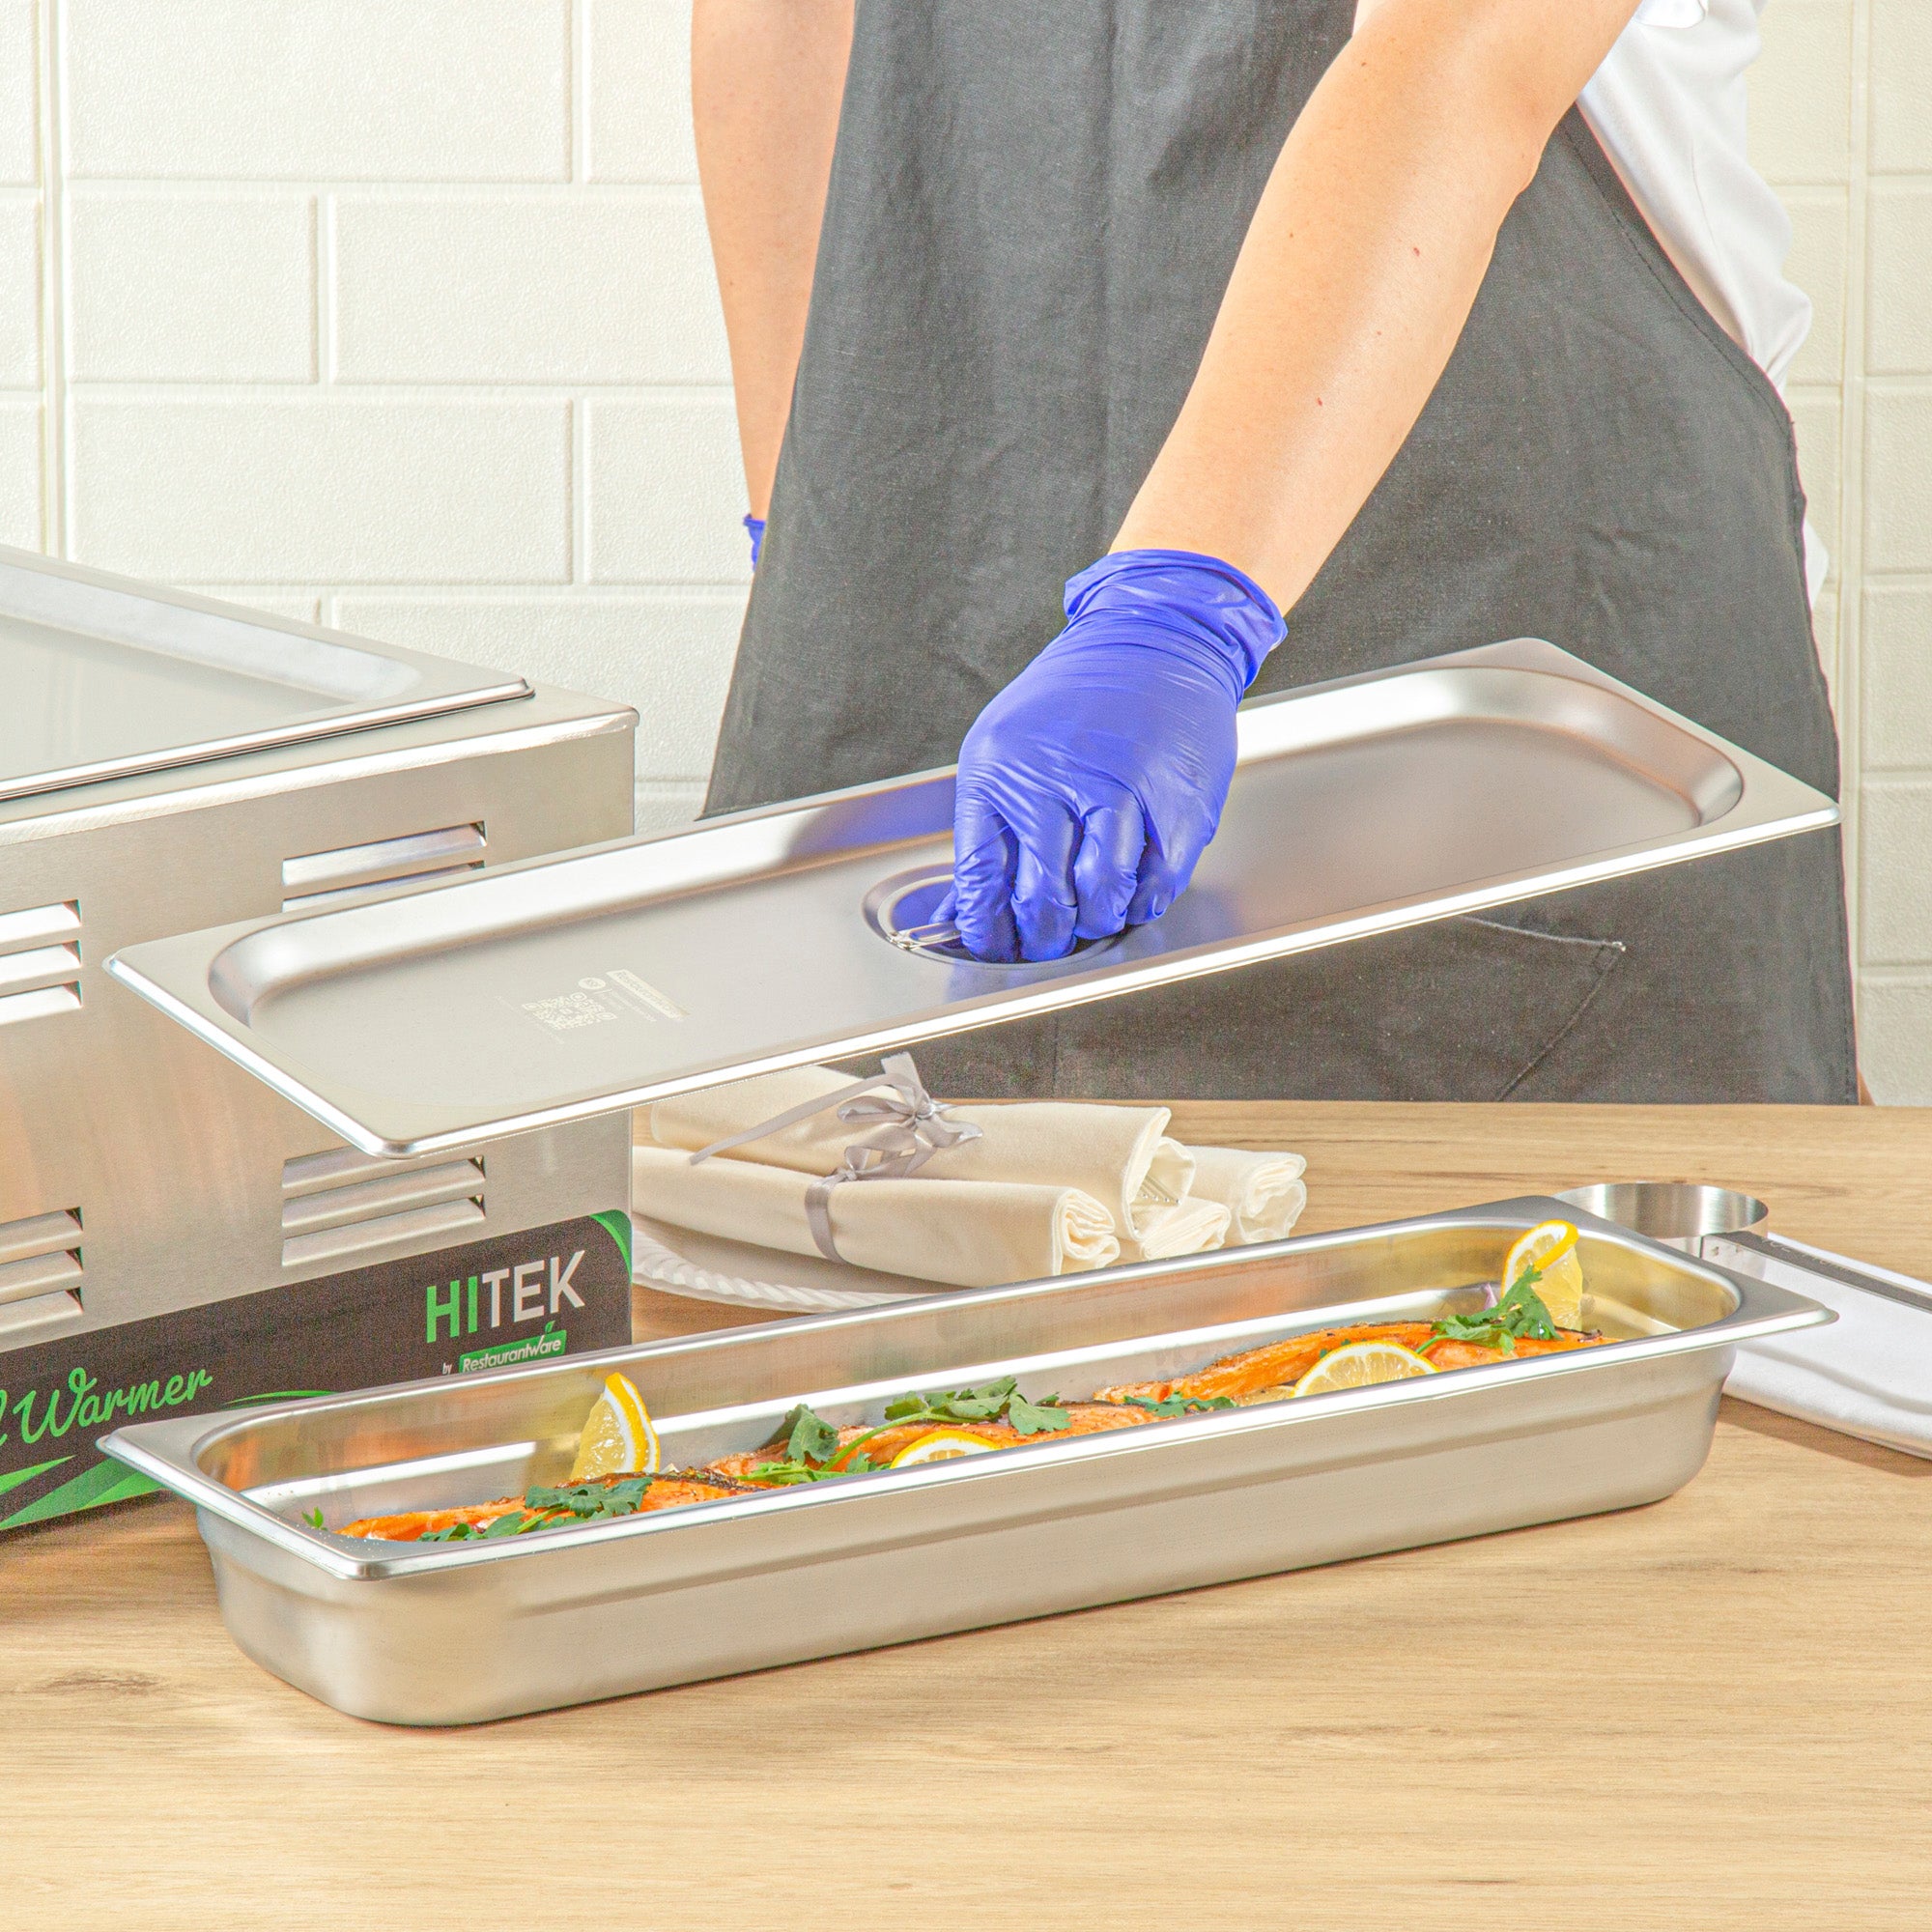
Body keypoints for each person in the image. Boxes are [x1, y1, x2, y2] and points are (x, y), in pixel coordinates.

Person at [691, 0, 1856, 1104]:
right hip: (941, 586)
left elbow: (1464, 58)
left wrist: (1180, 608)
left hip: (1516, 603)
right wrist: (807, 530)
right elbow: (780, 25)